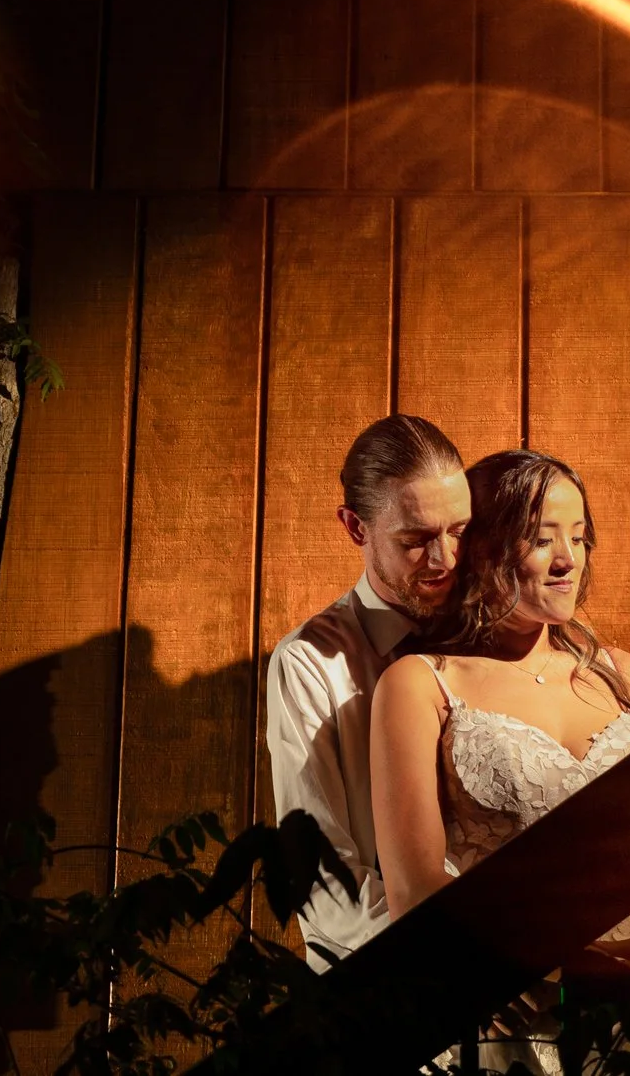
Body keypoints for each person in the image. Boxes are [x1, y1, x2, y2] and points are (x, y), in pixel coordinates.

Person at [371, 448, 630, 1075]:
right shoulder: (421, 683)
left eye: (578, 538)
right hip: (520, 1010)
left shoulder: (624, 677)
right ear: (486, 547)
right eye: (541, 539)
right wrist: (571, 968)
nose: (566, 560)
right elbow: (415, 890)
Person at [265, 412, 472, 970]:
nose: (446, 560)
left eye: (459, 531)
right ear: (356, 528)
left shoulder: (491, 637)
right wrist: (475, 953)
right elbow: (325, 887)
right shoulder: (309, 664)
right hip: (395, 983)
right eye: (416, 540)